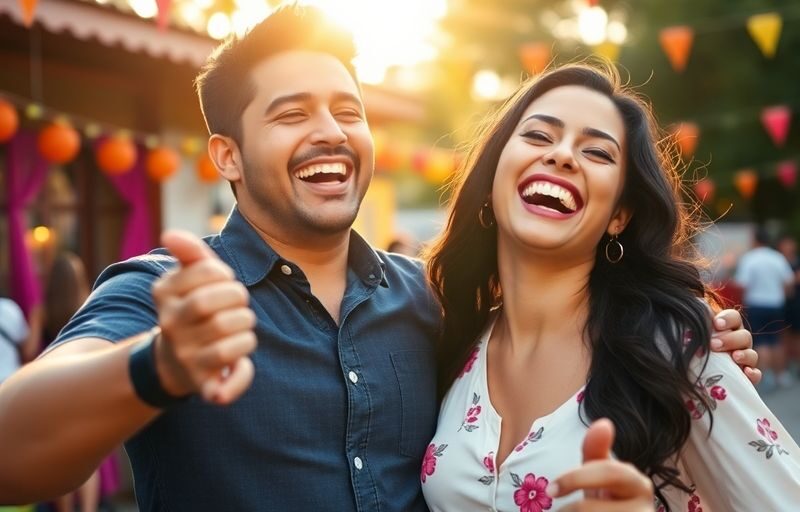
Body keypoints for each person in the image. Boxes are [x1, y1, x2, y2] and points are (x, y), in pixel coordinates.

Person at [0, 6, 757, 511]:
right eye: (291, 113)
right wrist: (158, 365)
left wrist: (679, 346)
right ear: (226, 155)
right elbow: (14, 453)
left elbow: (558, 330)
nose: (330, 131)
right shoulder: (167, 297)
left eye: (348, 111)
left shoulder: (430, 303)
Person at [422, 63, 799, 511]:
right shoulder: (451, 341)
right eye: (539, 136)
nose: (562, 155)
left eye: (598, 152)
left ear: (619, 215)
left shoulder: (676, 346)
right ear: (493, 180)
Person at [735, 227, 795, 391]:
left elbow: (742, 283)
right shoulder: (777, 258)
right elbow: (789, 282)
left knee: (761, 340)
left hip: (756, 304)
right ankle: (780, 375)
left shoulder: (750, 258)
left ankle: (764, 374)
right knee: (776, 340)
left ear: (755, 240)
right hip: (776, 304)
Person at [778, 234, 800, 375]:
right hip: (781, 303)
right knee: (783, 335)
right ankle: (784, 366)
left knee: (796, 336)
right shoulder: (778, 261)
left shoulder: (797, 262)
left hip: (796, 303)